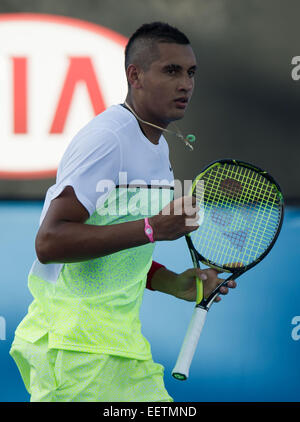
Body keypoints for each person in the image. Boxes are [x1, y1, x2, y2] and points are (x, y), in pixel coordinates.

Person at [10, 22, 236, 402]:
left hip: (121, 348)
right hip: (74, 349)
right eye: (171, 70)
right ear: (136, 75)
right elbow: (50, 241)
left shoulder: (158, 147)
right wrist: (151, 228)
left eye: (191, 72)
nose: (186, 84)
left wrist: (175, 283)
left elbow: (110, 244)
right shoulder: (108, 138)